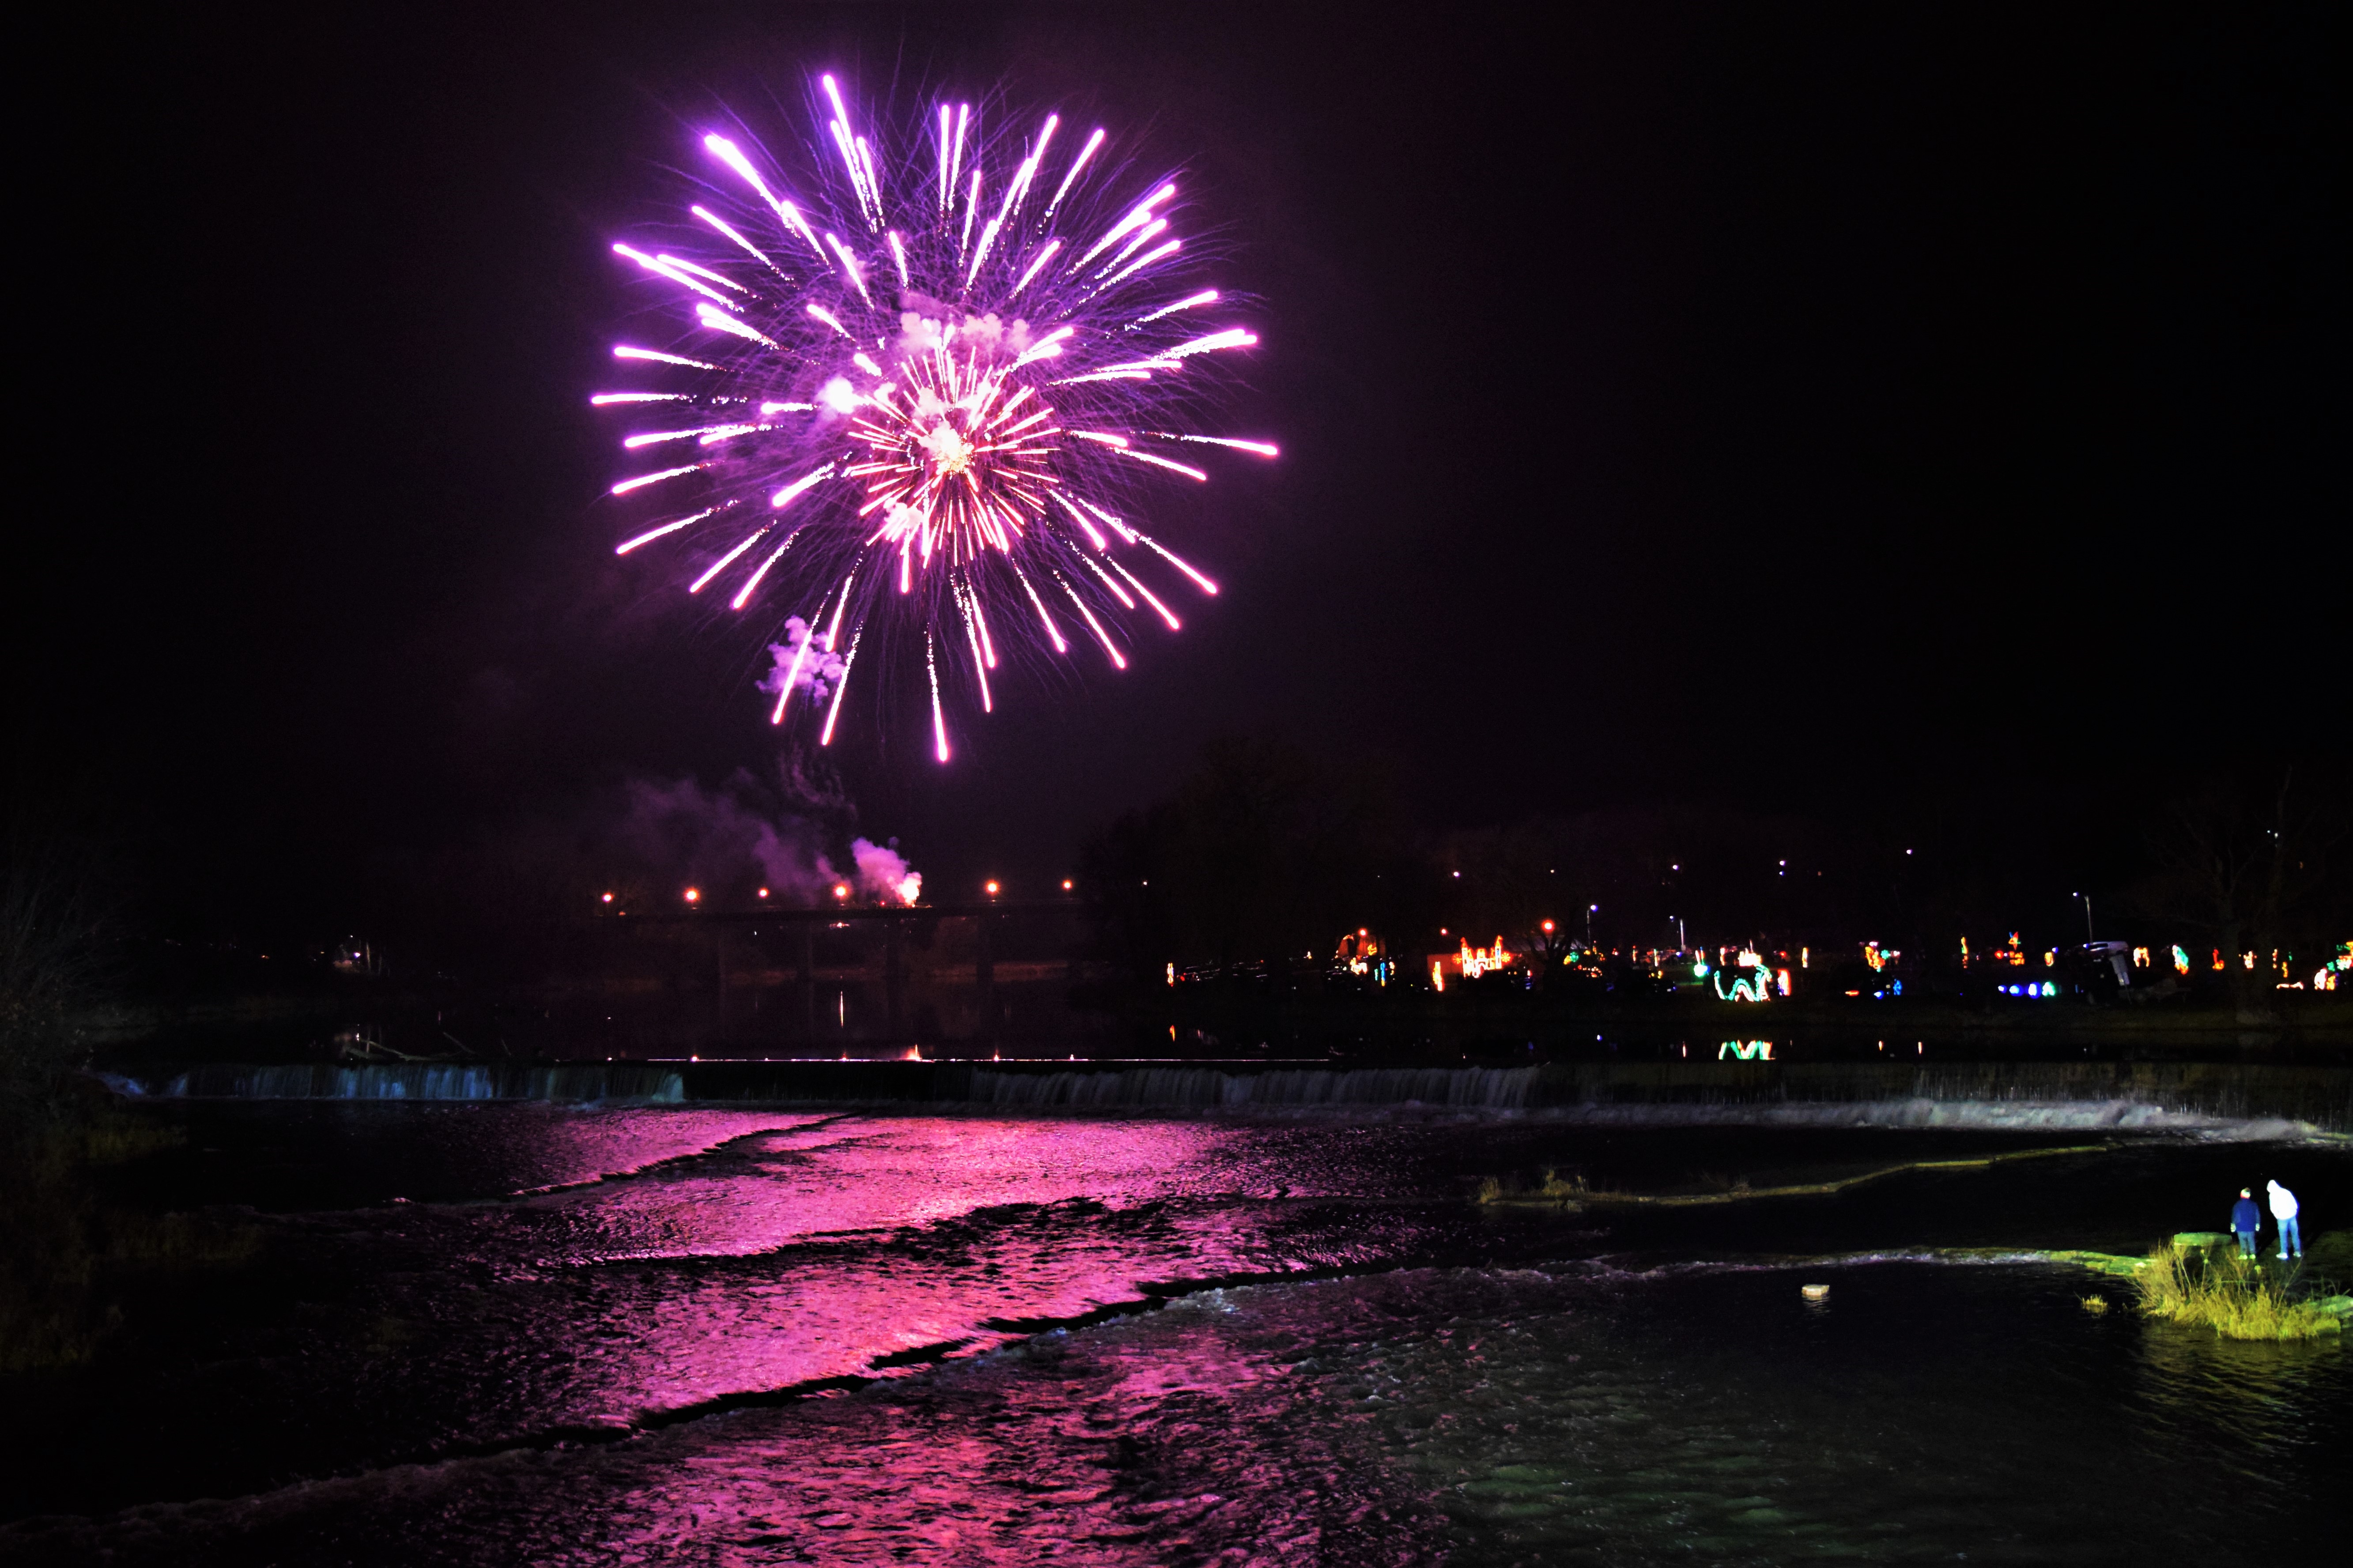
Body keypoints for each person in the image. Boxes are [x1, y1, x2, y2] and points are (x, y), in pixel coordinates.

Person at [2267, 1180, 2302, 1260]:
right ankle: (2298, 1252)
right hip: (2292, 1216)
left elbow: (2273, 1208)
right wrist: (2295, 1211)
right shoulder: (2286, 1191)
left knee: (2283, 1236)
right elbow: (2294, 1202)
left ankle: (2284, 1253)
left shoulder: (2272, 1195)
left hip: (2282, 1218)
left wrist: (2277, 1216)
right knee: (2295, 1234)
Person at [2230, 1188, 2262, 1258]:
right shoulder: (2254, 1205)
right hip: (2251, 1227)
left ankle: (2244, 1254)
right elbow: (2258, 1215)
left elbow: (2235, 1216)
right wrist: (2258, 1224)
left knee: (2243, 1241)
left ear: (2241, 1195)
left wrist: (2233, 1226)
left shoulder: (2238, 1205)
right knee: (2251, 1240)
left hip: (2241, 1227)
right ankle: (2253, 1254)